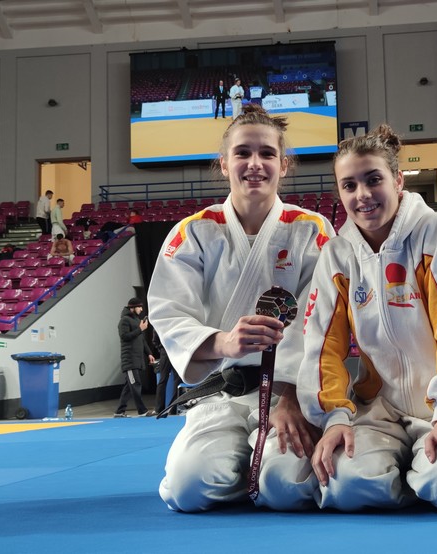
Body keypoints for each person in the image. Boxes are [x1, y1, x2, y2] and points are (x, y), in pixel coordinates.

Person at [298, 124, 437, 513]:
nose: (362, 195)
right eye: (349, 185)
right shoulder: (337, 255)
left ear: (398, 180)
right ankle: (410, 475)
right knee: (345, 487)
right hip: (379, 408)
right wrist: (334, 417)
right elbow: (321, 344)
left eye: (373, 179)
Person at [148, 103, 334, 512]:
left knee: (286, 486)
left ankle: (261, 464)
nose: (255, 163)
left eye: (267, 153)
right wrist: (222, 342)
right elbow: (168, 310)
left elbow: (321, 323)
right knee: (188, 490)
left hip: (292, 393)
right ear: (223, 162)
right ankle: (245, 461)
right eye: (243, 153)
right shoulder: (194, 232)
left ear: (284, 164)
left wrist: (292, 395)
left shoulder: (312, 230)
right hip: (222, 392)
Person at [115, 298, 154, 417]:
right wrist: (140, 329)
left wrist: (149, 353)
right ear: (133, 307)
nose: (141, 309)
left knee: (129, 386)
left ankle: (119, 412)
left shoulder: (136, 320)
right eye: (139, 307)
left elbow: (141, 339)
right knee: (136, 384)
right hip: (130, 360)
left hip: (136, 359)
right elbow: (124, 336)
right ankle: (142, 411)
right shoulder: (124, 321)